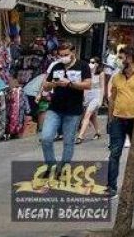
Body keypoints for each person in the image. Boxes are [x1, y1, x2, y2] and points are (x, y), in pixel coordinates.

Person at [40, 43, 91, 175]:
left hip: (73, 110)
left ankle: (63, 167)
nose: (63, 58)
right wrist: (54, 83)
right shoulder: (56, 66)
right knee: (46, 138)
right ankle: (50, 164)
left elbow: (88, 84)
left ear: (73, 52)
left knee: (68, 141)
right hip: (55, 108)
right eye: (60, 55)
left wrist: (70, 83)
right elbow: (45, 85)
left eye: (66, 55)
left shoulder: (82, 66)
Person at [107, 46, 134, 198]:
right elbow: (112, 98)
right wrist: (110, 118)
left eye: (122, 58)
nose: (120, 61)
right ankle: (111, 186)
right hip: (118, 119)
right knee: (115, 152)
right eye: (119, 58)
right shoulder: (117, 77)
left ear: (131, 58)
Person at [76, 58, 104, 143]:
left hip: (96, 95)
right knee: (92, 116)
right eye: (89, 62)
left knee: (87, 114)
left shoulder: (101, 74)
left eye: (93, 62)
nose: (90, 64)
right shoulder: (86, 72)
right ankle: (98, 132)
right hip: (87, 95)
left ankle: (80, 136)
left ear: (97, 64)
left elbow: (102, 87)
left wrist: (101, 100)